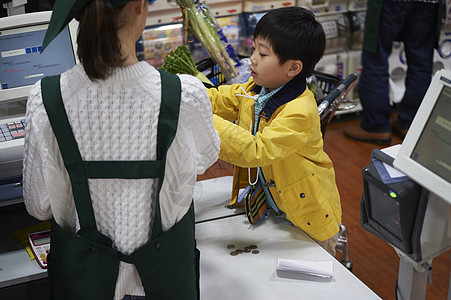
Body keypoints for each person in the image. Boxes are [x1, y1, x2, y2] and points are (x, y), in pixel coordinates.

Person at [22, 0, 220, 299]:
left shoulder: (45, 100)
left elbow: (39, 206)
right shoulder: (186, 95)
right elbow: (205, 159)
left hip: (83, 281)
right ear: (140, 5)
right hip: (166, 279)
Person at [207, 7, 342, 256]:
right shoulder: (257, 88)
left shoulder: (299, 111)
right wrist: (189, 94)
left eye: (263, 53)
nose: (252, 59)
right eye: (254, 50)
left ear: (293, 68)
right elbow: (222, 99)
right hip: (279, 206)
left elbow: (256, 150)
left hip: (309, 217)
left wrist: (203, 118)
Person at [344, 0, 442, 145]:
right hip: (429, 3)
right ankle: (410, 124)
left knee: (375, 59)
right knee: (421, 62)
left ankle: (376, 126)